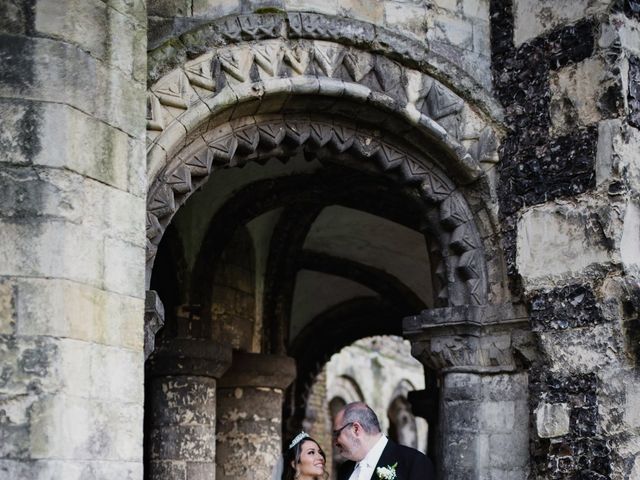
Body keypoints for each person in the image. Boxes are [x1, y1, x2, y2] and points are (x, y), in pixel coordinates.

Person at [333, 402, 435, 480]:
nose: (335, 442)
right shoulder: (344, 470)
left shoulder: (414, 463)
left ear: (356, 429)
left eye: (337, 434)